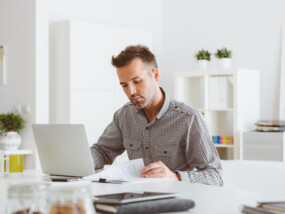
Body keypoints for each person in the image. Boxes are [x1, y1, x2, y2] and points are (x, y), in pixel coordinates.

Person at [90, 45, 223, 186]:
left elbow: (215, 176)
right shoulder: (124, 115)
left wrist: (175, 176)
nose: (131, 91)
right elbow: (102, 151)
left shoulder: (189, 118)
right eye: (124, 85)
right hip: (135, 200)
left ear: (156, 75)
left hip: (175, 201)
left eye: (137, 81)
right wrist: (75, 161)